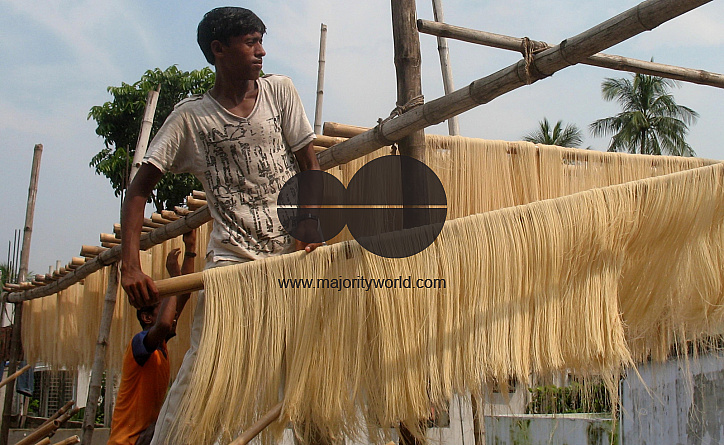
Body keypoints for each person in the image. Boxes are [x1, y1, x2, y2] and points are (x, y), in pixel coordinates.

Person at [119, 7, 322, 444]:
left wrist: (309, 220)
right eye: (250, 42)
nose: (261, 51)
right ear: (218, 50)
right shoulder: (192, 118)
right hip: (232, 259)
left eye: (261, 40)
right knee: (206, 366)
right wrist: (130, 266)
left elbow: (309, 162)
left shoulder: (280, 93)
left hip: (289, 257)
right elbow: (138, 189)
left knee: (304, 365)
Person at [108, 230, 197, 445]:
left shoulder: (161, 346)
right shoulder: (140, 345)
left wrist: (191, 250)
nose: (169, 311)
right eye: (161, 306)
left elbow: (182, 296)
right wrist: (173, 277)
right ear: (147, 317)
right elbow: (165, 322)